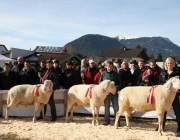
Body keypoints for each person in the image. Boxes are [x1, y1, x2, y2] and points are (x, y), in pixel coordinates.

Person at [155, 57, 180, 137]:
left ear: (174, 63)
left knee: (178, 112)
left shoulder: (178, 72)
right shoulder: (163, 72)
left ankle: (179, 129)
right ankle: (162, 126)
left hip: (174, 95)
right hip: (164, 97)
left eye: (171, 63)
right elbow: (160, 83)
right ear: (166, 64)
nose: (169, 65)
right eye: (168, 63)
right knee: (163, 112)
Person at [99, 61, 121, 125]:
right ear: (106, 67)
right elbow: (100, 82)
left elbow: (119, 83)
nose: (109, 68)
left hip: (114, 93)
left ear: (112, 67)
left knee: (116, 108)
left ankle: (117, 122)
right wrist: (102, 88)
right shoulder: (103, 74)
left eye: (111, 67)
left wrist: (116, 88)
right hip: (106, 94)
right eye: (108, 67)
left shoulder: (116, 74)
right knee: (106, 107)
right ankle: (107, 121)